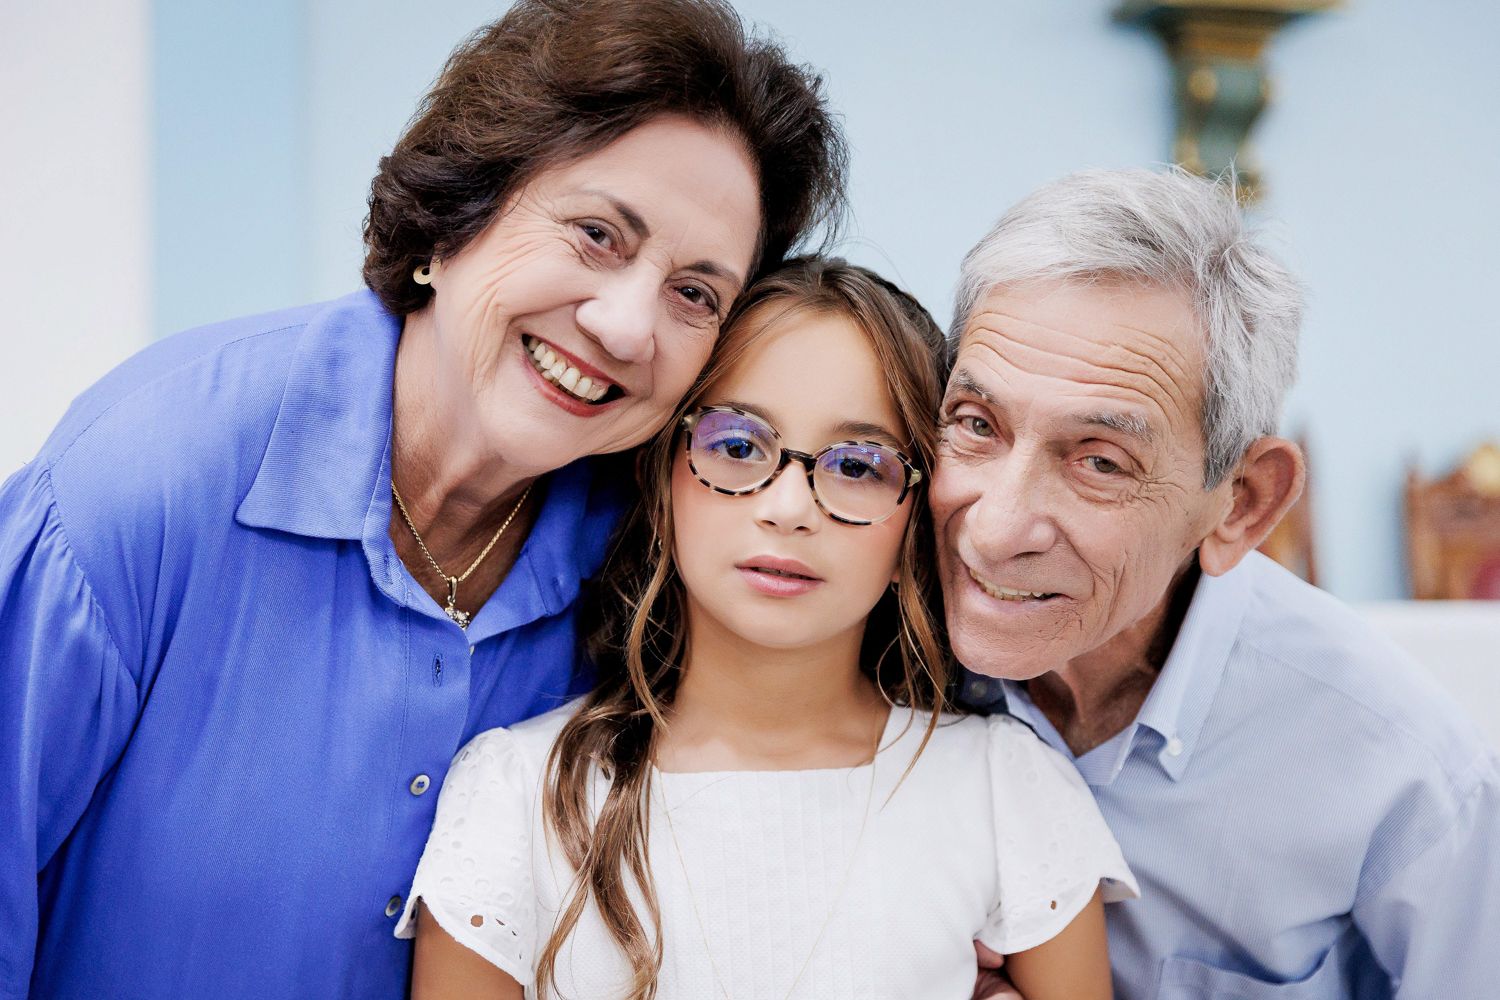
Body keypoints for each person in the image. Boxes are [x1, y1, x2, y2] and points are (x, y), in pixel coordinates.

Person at [0, 3, 848, 997]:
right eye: (596, 234)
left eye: (695, 295)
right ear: (453, 220)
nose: (626, 328)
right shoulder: (140, 484)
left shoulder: (664, 562)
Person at [397, 258, 1138, 1000]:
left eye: (857, 464)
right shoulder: (516, 790)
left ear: (913, 521)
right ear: (663, 486)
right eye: (739, 445)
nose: (789, 507)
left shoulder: (1003, 788)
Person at [938, 168, 1500, 999]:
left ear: (1241, 503)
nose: (992, 529)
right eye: (977, 425)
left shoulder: (1408, 776)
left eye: (1099, 460)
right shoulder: (858, 645)